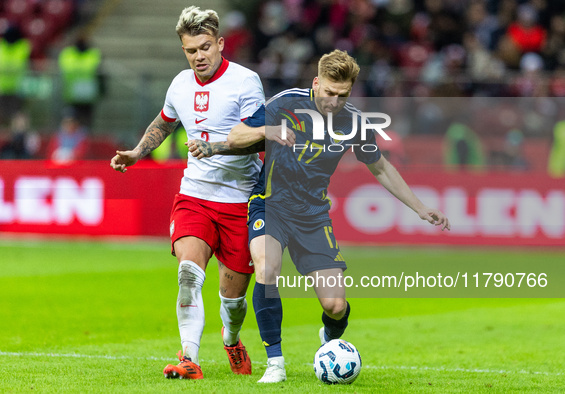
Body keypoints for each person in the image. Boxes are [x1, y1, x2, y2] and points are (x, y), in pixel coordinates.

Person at [187, 50, 451, 383]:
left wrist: (420, 207)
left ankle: (328, 340)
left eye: (342, 95)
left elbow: (380, 167)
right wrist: (267, 131)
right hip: (270, 205)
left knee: (335, 306)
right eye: (328, 92)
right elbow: (236, 135)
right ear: (316, 83)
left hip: (312, 216)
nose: (333, 101)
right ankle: (275, 363)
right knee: (267, 268)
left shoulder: (354, 121)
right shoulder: (285, 104)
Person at [110, 6, 265, 380]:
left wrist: (215, 147)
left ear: (220, 44)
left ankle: (231, 339)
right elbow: (164, 121)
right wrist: (136, 152)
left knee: (233, 301)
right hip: (194, 196)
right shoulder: (180, 83)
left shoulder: (246, 82)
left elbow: (259, 139)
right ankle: (189, 359)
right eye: (191, 49)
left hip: (240, 201)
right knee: (188, 275)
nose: (199, 56)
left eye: (205, 47)